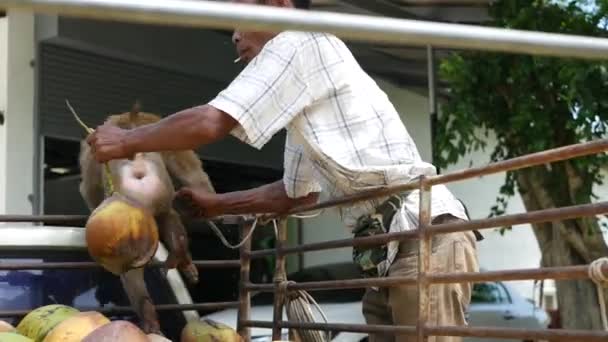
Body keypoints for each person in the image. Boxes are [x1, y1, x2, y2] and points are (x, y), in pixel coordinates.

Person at [85, 0, 480, 341]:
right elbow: (295, 193)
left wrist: (125, 141)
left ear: (278, 5)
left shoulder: (299, 40)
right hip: (390, 247)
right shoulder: (303, 103)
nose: (234, 36)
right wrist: (217, 205)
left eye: (238, 17)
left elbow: (211, 121)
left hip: (420, 233)